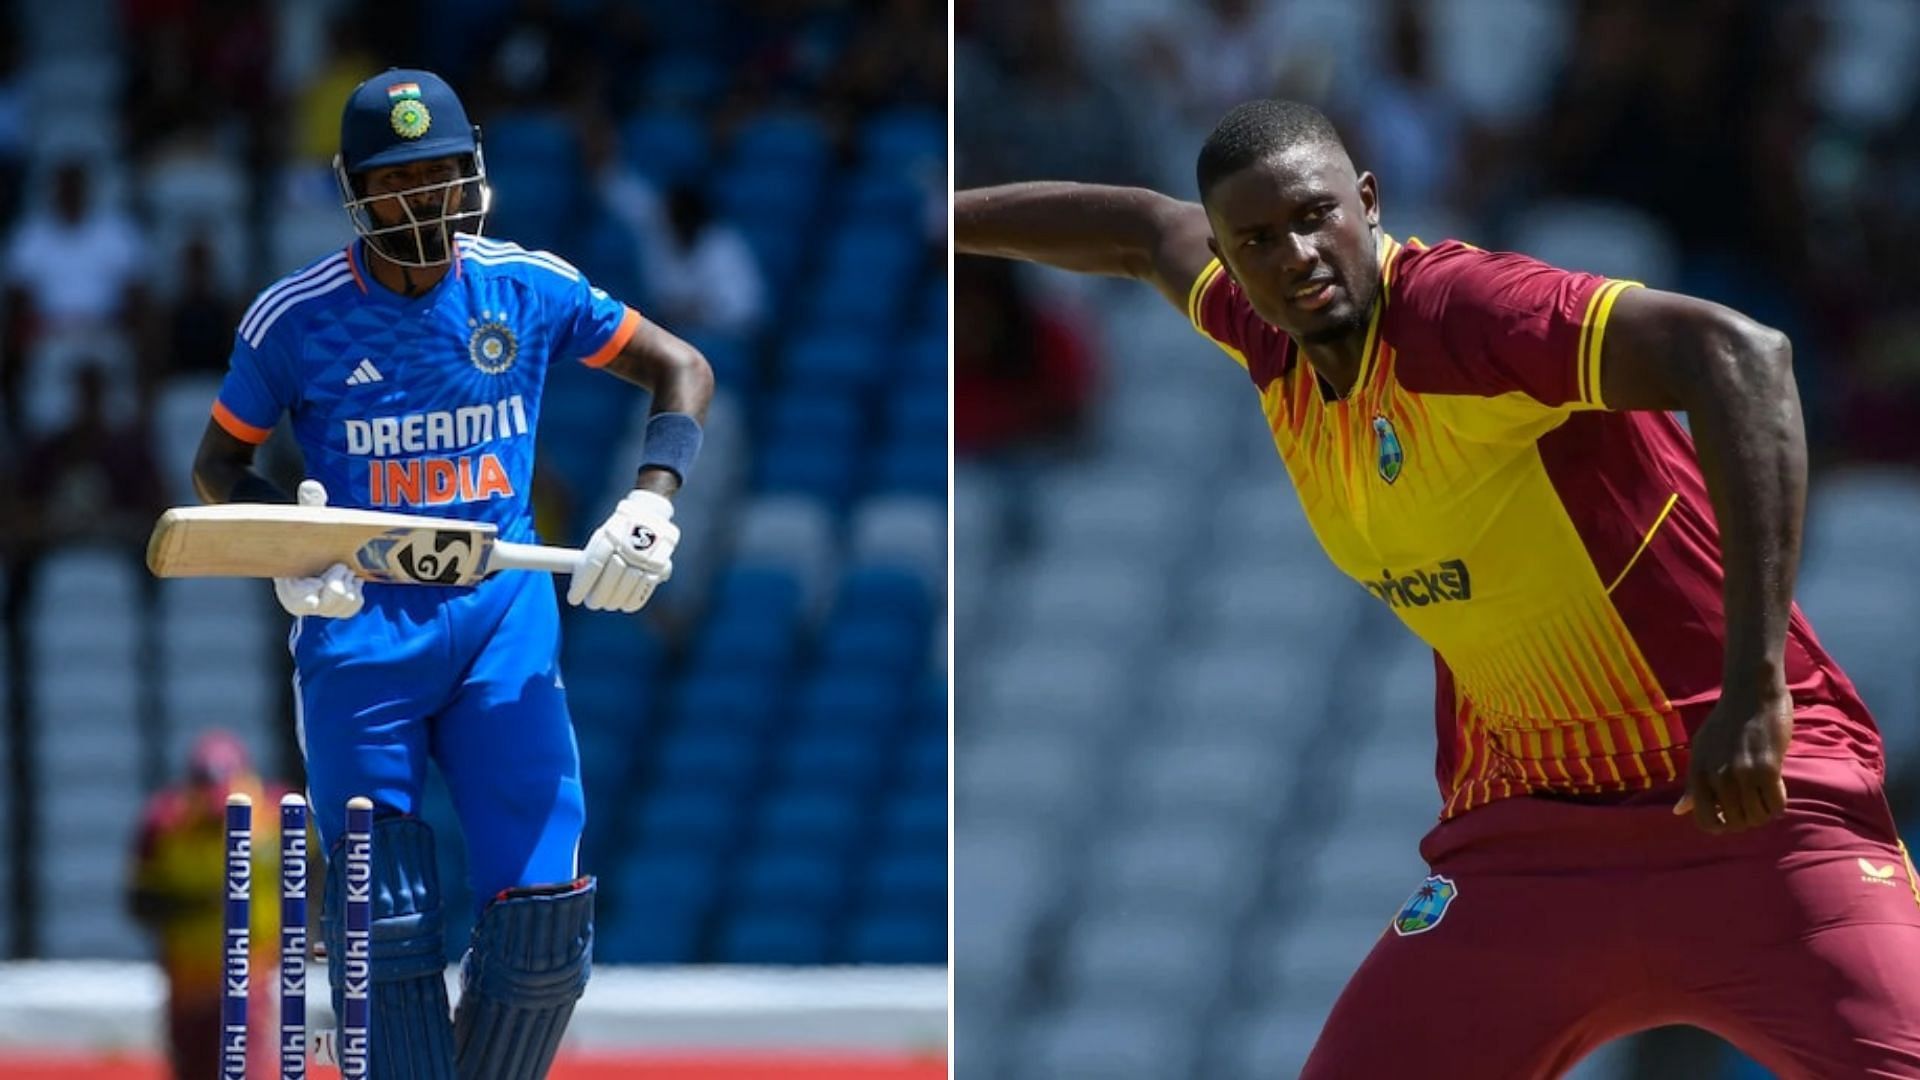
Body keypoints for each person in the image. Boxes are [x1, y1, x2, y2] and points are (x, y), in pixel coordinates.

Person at [955, 99, 1920, 1078]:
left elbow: (1738, 356)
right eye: (1257, 240)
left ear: (1366, 202)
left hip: (1753, 815)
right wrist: (945, 221)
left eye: (1313, 216)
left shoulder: (1466, 314)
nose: (1294, 252)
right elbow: (1136, 231)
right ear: (1231, 263)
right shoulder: (1270, 341)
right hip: (1530, 855)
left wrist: (1755, 687)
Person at [189, 69, 714, 1078]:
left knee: (545, 942)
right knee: (384, 935)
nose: (424, 200)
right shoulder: (294, 319)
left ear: (472, 169)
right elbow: (217, 465)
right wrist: (292, 548)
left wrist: (651, 501)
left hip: (499, 619)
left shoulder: (527, 283)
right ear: (357, 192)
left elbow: (681, 366)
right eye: (398, 181)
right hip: (360, 631)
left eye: (439, 174)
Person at [128, 731, 289, 1080]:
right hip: (188, 979)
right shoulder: (165, 823)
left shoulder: (277, 816)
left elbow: (317, 868)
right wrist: (202, 905)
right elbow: (139, 902)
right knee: (192, 1067)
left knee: (245, 1066)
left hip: (250, 973)